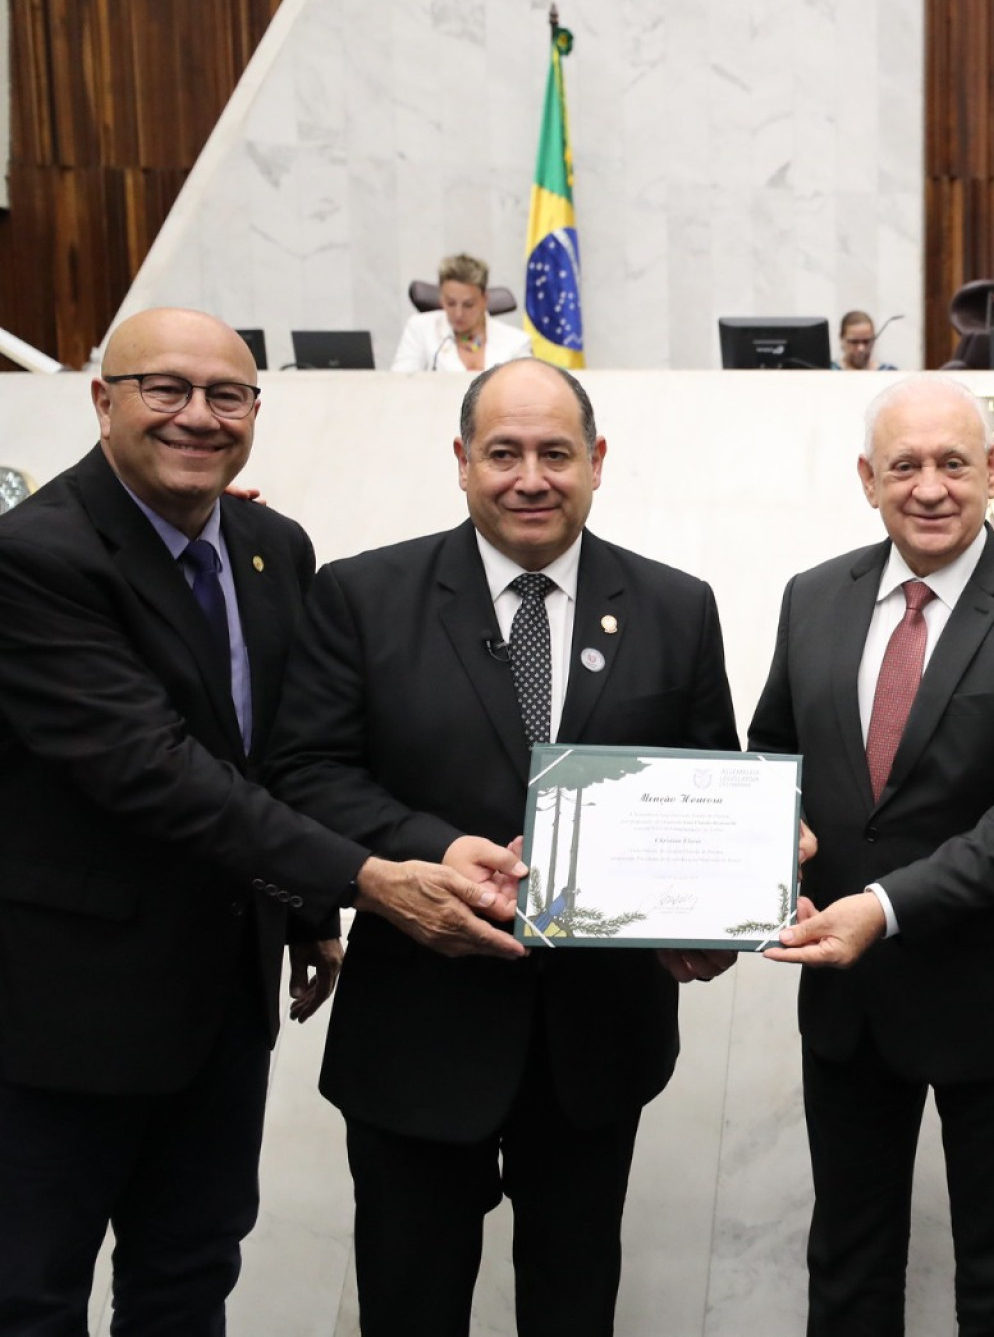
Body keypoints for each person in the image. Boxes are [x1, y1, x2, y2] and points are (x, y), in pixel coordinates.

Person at [0, 307, 526, 1333]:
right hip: (64, 1012)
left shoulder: (271, 547)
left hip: (222, 1004)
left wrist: (304, 913)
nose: (199, 415)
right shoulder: (35, 558)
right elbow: (158, 771)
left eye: (228, 394)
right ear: (102, 400)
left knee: (191, 1273)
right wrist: (366, 879)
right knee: (32, 1291)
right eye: (166, 389)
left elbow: (283, 757)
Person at [264, 358, 746, 1335]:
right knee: (409, 1304)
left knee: (574, 1304)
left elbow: (707, 785)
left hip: (598, 1038)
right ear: (462, 461)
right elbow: (306, 771)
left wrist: (708, 916)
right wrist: (434, 849)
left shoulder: (675, 606)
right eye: (504, 452)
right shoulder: (362, 594)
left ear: (597, 461)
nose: (531, 475)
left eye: (556, 453)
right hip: (416, 1032)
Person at [750, 373, 994, 1336]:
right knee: (848, 1260)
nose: (929, 486)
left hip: (992, 998)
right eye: (904, 465)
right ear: (868, 479)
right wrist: (764, 831)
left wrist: (881, 904)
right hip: (844, 1002)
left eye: (954, 463)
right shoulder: (811, 597)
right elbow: (772, 753)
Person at [392, 252, 535, 372]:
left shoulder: (516, 342)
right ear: (441, 298)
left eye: (468, 305)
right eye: (451, 303)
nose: (458, 313)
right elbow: (400, 383)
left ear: (484, 299)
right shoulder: (421, 328)